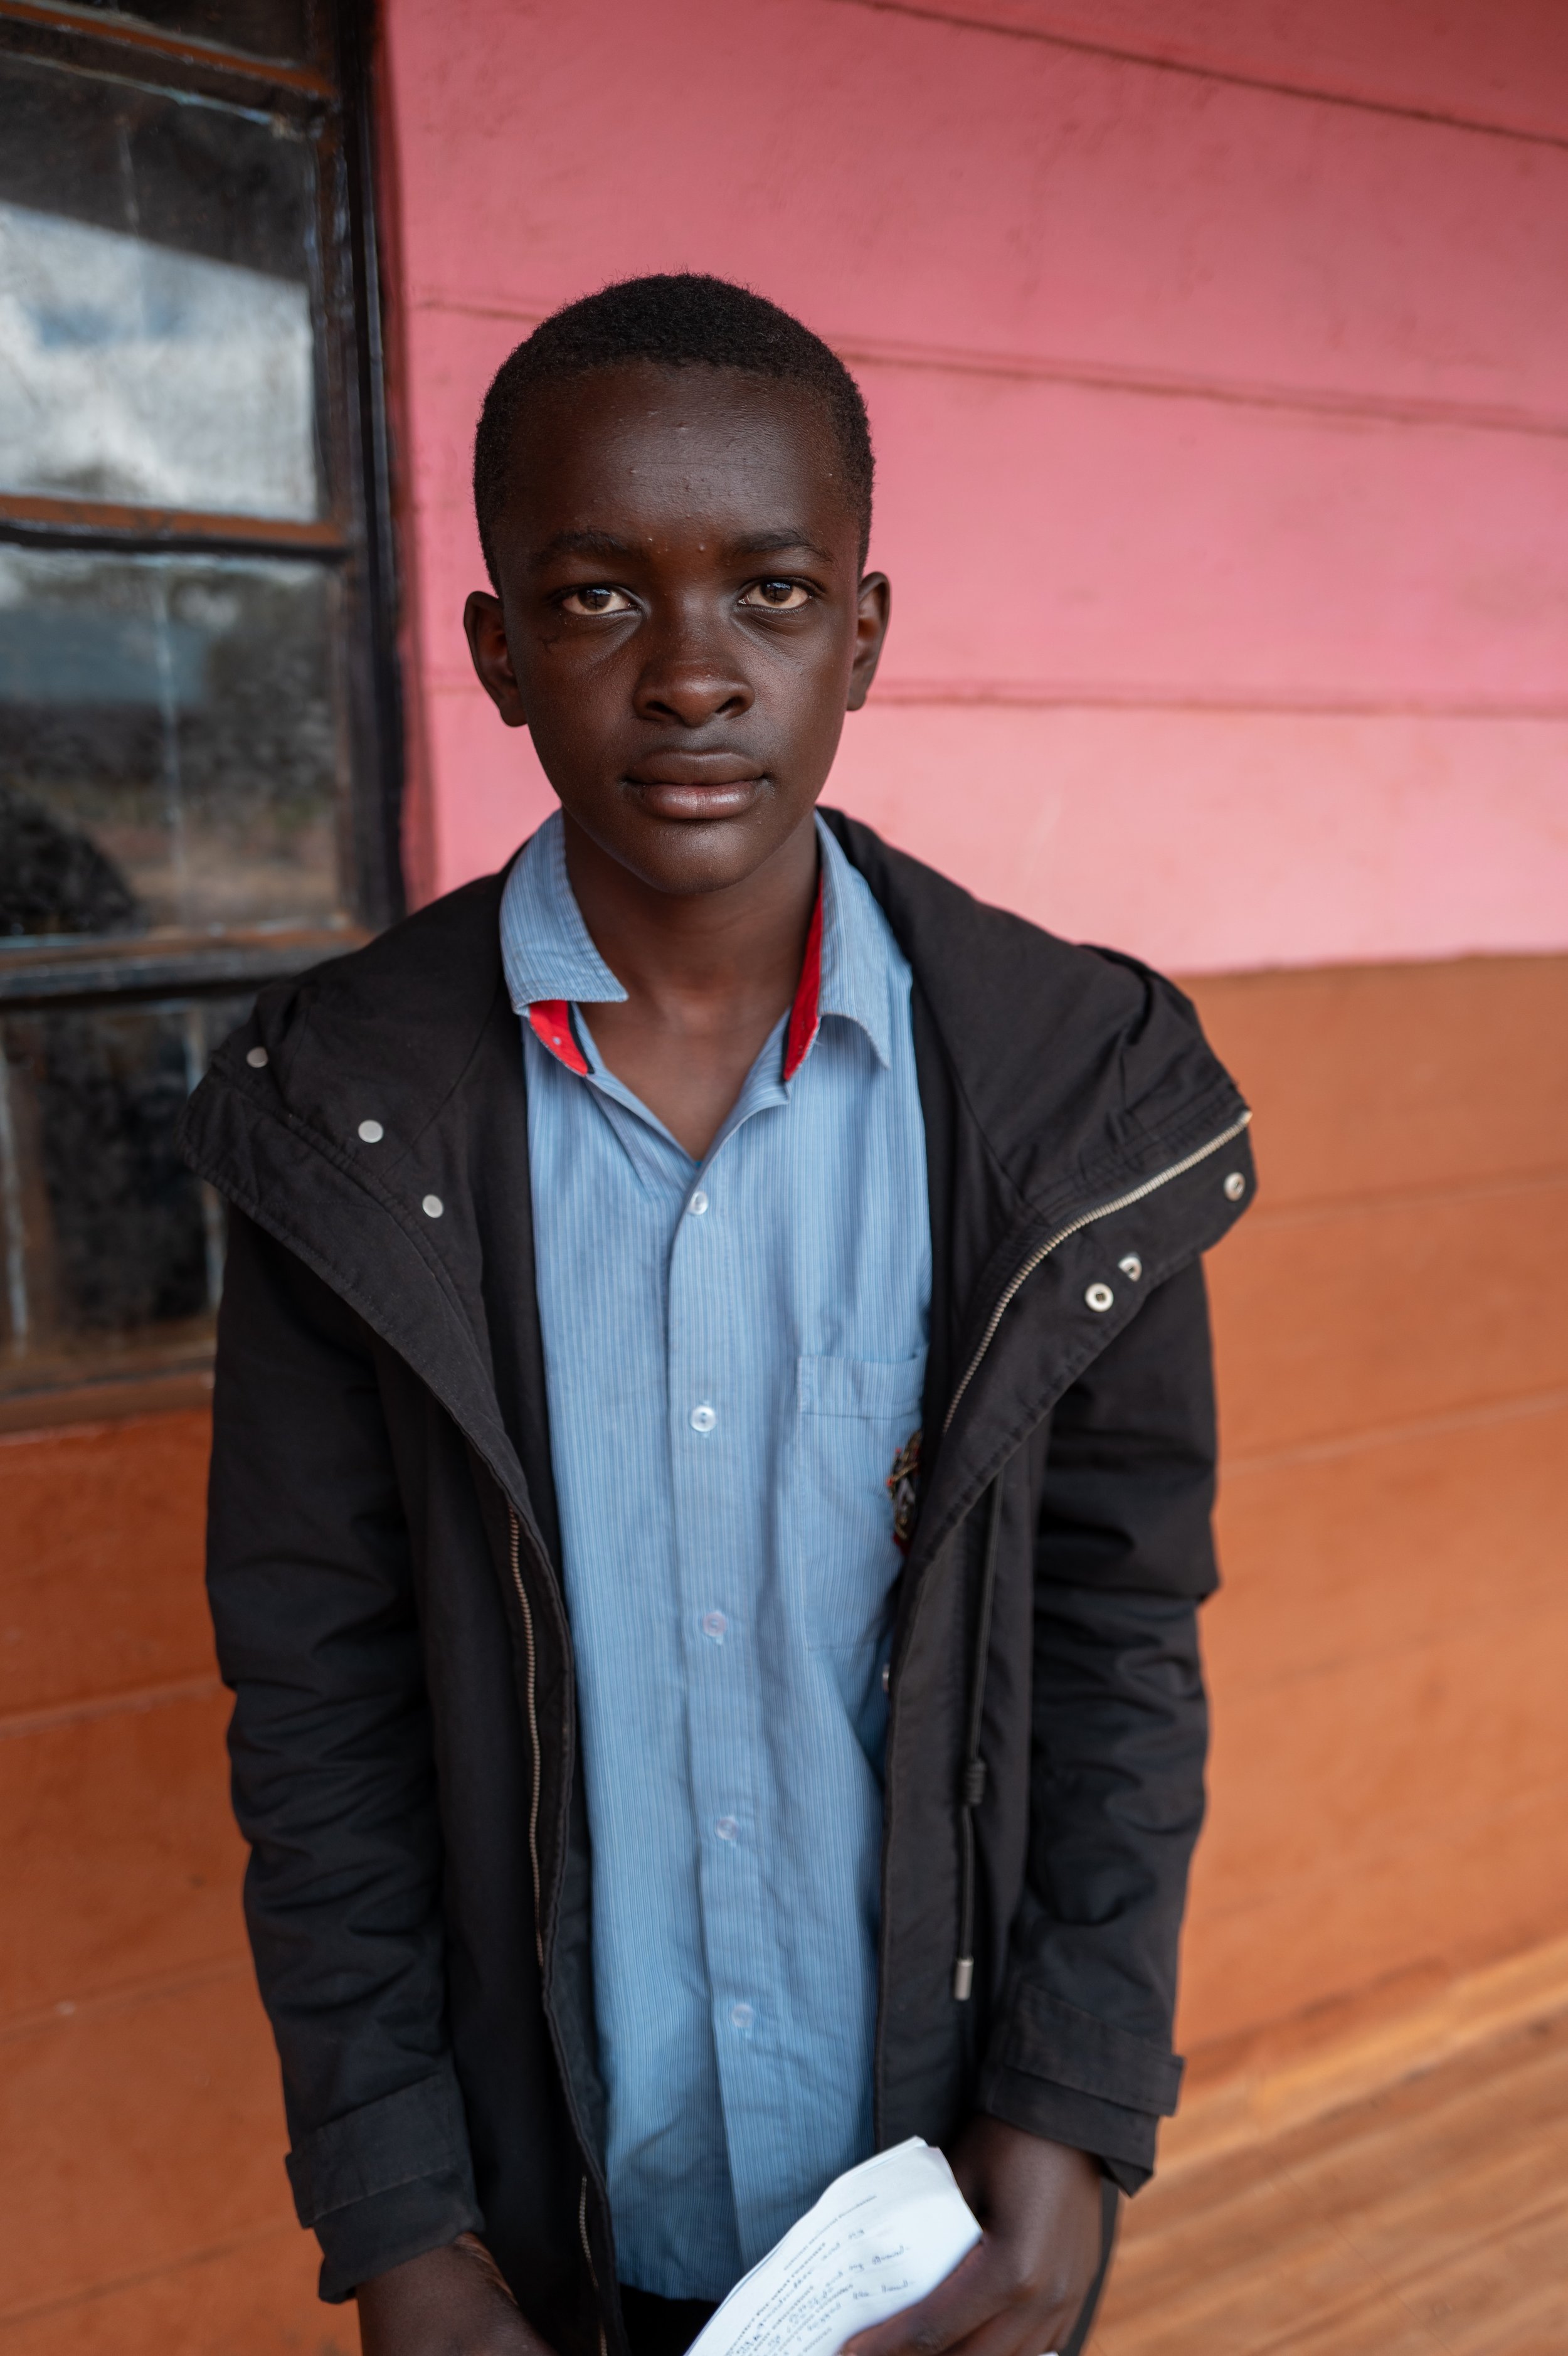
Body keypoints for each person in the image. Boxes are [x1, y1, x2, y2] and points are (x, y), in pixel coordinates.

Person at [183, 274, 1253, 2356]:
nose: (691, 675)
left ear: (859, 634)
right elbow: (317, 1711)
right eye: (595, 602)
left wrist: (1071, 2114)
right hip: (539, 2217)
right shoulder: (342, 1115)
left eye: (768, 590)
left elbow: (1122, 1647)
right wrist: (402, 2223)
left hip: (935, 2198)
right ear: (495, 650)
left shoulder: (1070, 1091)